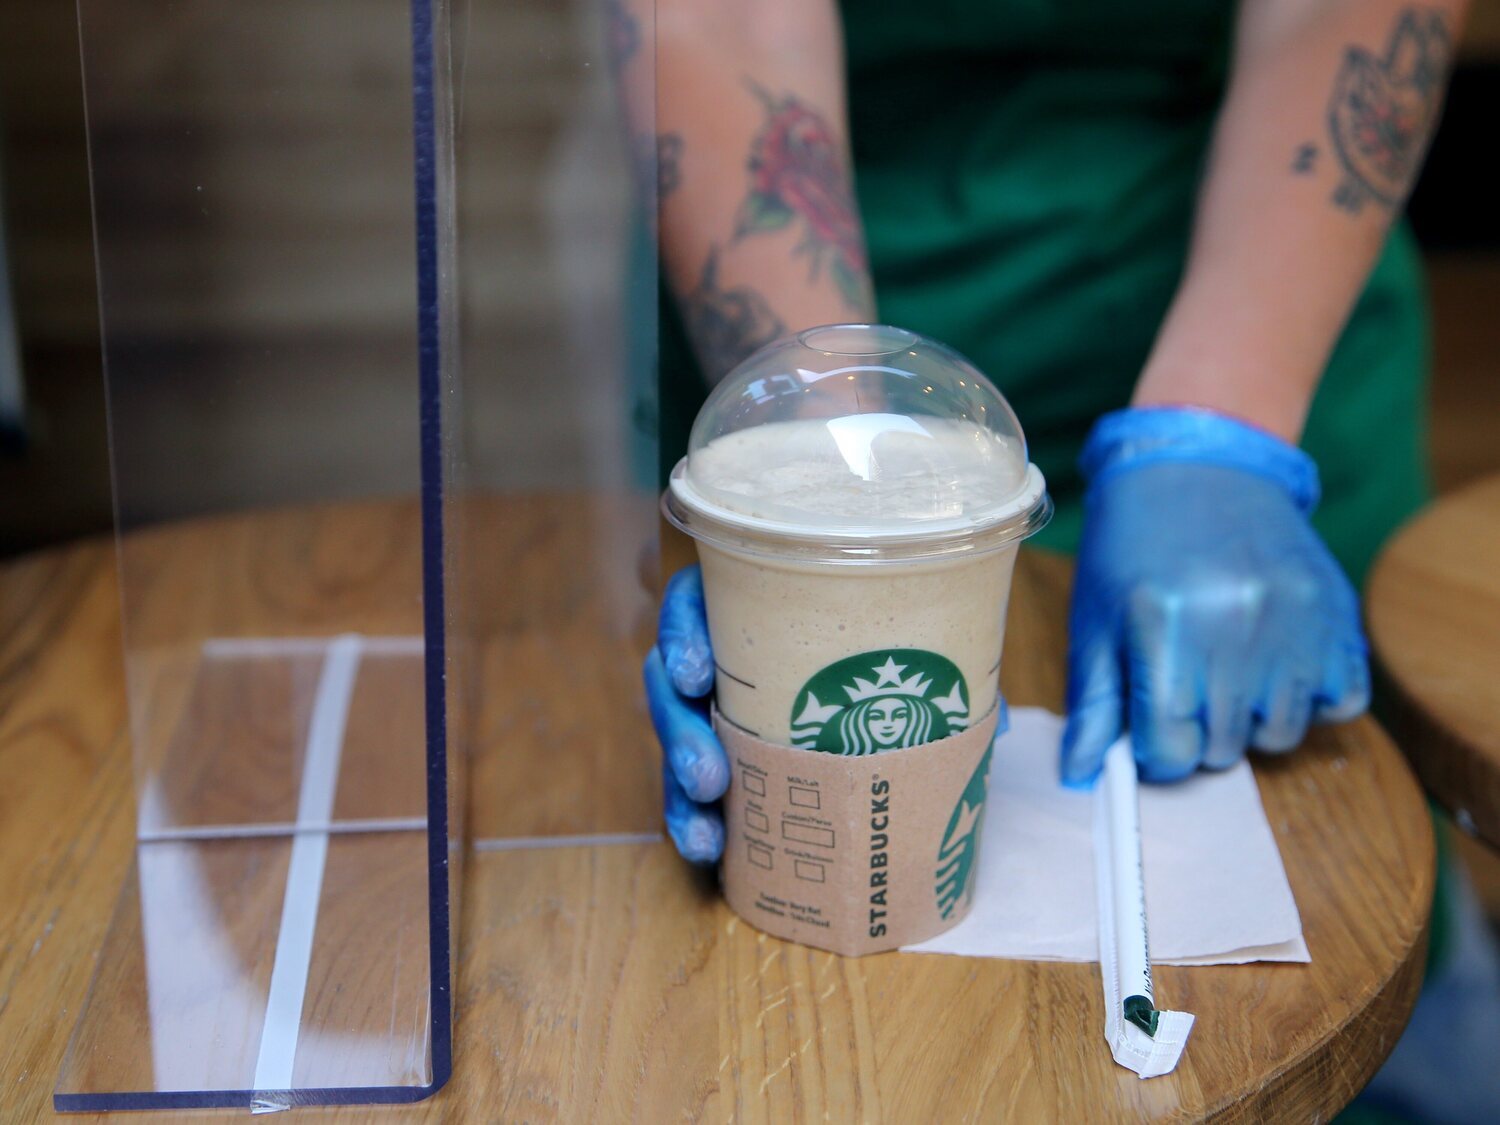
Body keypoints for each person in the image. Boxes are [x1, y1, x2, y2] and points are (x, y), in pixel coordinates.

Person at [642, 2, 1497, 1117]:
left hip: (1262, 297)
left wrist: (1218, 431)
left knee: (1344, 947)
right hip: (813, 325)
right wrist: (815, 508)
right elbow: (722, 22)